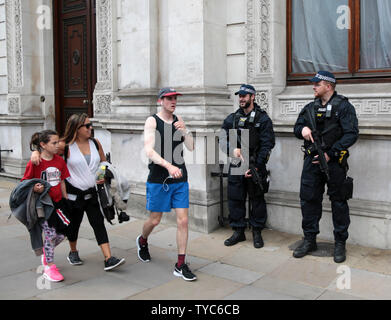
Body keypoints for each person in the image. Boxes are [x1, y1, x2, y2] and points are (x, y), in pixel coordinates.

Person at [31, 114, 125, 271]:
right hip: (74, 196)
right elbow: (46, 151)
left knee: (98, 224)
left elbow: (103, 162)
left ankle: (108, 258)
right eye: (87, 126)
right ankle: (73, 252)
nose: (90, 128)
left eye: (90, 125)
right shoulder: (65, 145)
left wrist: (101, 175)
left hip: (93, 193)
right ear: (77, 128)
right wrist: (36, 153)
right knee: (73, 226)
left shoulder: (95, 143)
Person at [293, 71, 359, 263]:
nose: (313, 87)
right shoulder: (309, 108)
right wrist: (302, 129)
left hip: (335, 163)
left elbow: (351, 134)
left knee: (339, 202)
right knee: (309, 200)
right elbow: (297, 128)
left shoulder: (344, 107)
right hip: (311, 162)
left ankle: (340, 243)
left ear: (328, 86)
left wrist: (332, 152)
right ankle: (309, 239)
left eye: (317, 84)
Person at [136, 87, 197, 281]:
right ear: (160, 100)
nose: (173, 101)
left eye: (175, 98)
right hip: (159, 179)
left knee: (183, 220)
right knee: (155, 220)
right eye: (169, 98)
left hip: (180, 178)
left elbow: (191, 146)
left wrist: (185, 131)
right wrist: (169, 166)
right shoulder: (152, 121)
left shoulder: (179, 120)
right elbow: (149, 151)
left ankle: (180, 264)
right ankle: (143, 240)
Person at [220, 84, 275, 248]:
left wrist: (257, 166)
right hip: (237, 164)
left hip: (255, 165)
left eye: (245, 95)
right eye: (240, 96)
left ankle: (257, 232)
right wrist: (232, 150)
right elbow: (222, 139)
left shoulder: (262, 119)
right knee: (235, 199)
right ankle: (238, 232)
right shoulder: (233, 118)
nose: (241, 98)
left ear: (253, 97)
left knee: (257, 199)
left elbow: (268, 144)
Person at [22, 130, 71, 282]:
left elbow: (62, 181)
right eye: (54, 143)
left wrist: (65, 199)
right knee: (50, 234)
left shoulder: (59, 161)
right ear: (43, 145)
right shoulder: (35, 162)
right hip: (42, 205)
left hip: (58, 203)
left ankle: (46, 250)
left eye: (58, 142)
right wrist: (34, 188)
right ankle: (49, 267)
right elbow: (24, 182)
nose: (58, 145)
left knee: (63, 232)